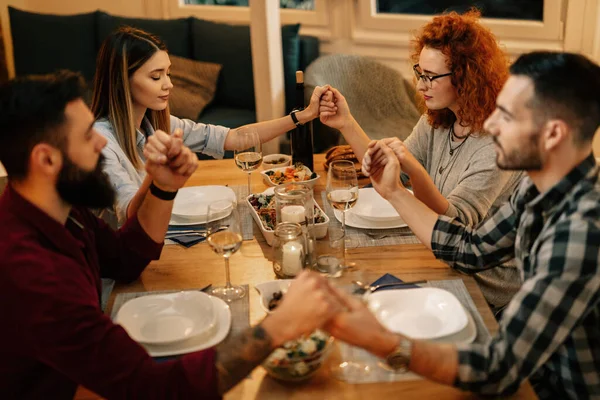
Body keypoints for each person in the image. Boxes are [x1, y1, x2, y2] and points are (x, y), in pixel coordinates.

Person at [0, 71, 343, 399]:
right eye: (88, 134)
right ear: (46, 160)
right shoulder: (31, 272)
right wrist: (277, 328)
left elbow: (124, 259)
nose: (102, 141)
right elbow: (157, 390)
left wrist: (163, 188)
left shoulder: (62, 209)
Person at [330, 51, 600, 399]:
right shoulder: (541, 187)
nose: (491, 125)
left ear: (552, 134)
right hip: (533, 371)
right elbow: (471, 249)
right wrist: (395, 193)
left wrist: (379, 340)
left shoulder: (581, 232)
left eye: (507, 116)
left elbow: (496, 369)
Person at [319, 10, 524, 312]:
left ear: (466, 77)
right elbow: (386, 173)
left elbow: (454, 226)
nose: (419, 86)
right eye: (420, 73)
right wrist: (347, 123)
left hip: (483, 286)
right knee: (353, 289)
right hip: (442, 258)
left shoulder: (497, 143)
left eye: (430, 77)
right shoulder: (440, 121)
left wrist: (413, 170)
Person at [92, 26, 329, 226]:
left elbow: (236, 138)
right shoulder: (101, 141)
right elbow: (130, 213)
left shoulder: (157, 124)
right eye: (156, 77)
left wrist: (302, 116)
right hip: (120, 265)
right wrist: (156, 174)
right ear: (122, 81)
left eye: (168, 73)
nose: (169, 85)